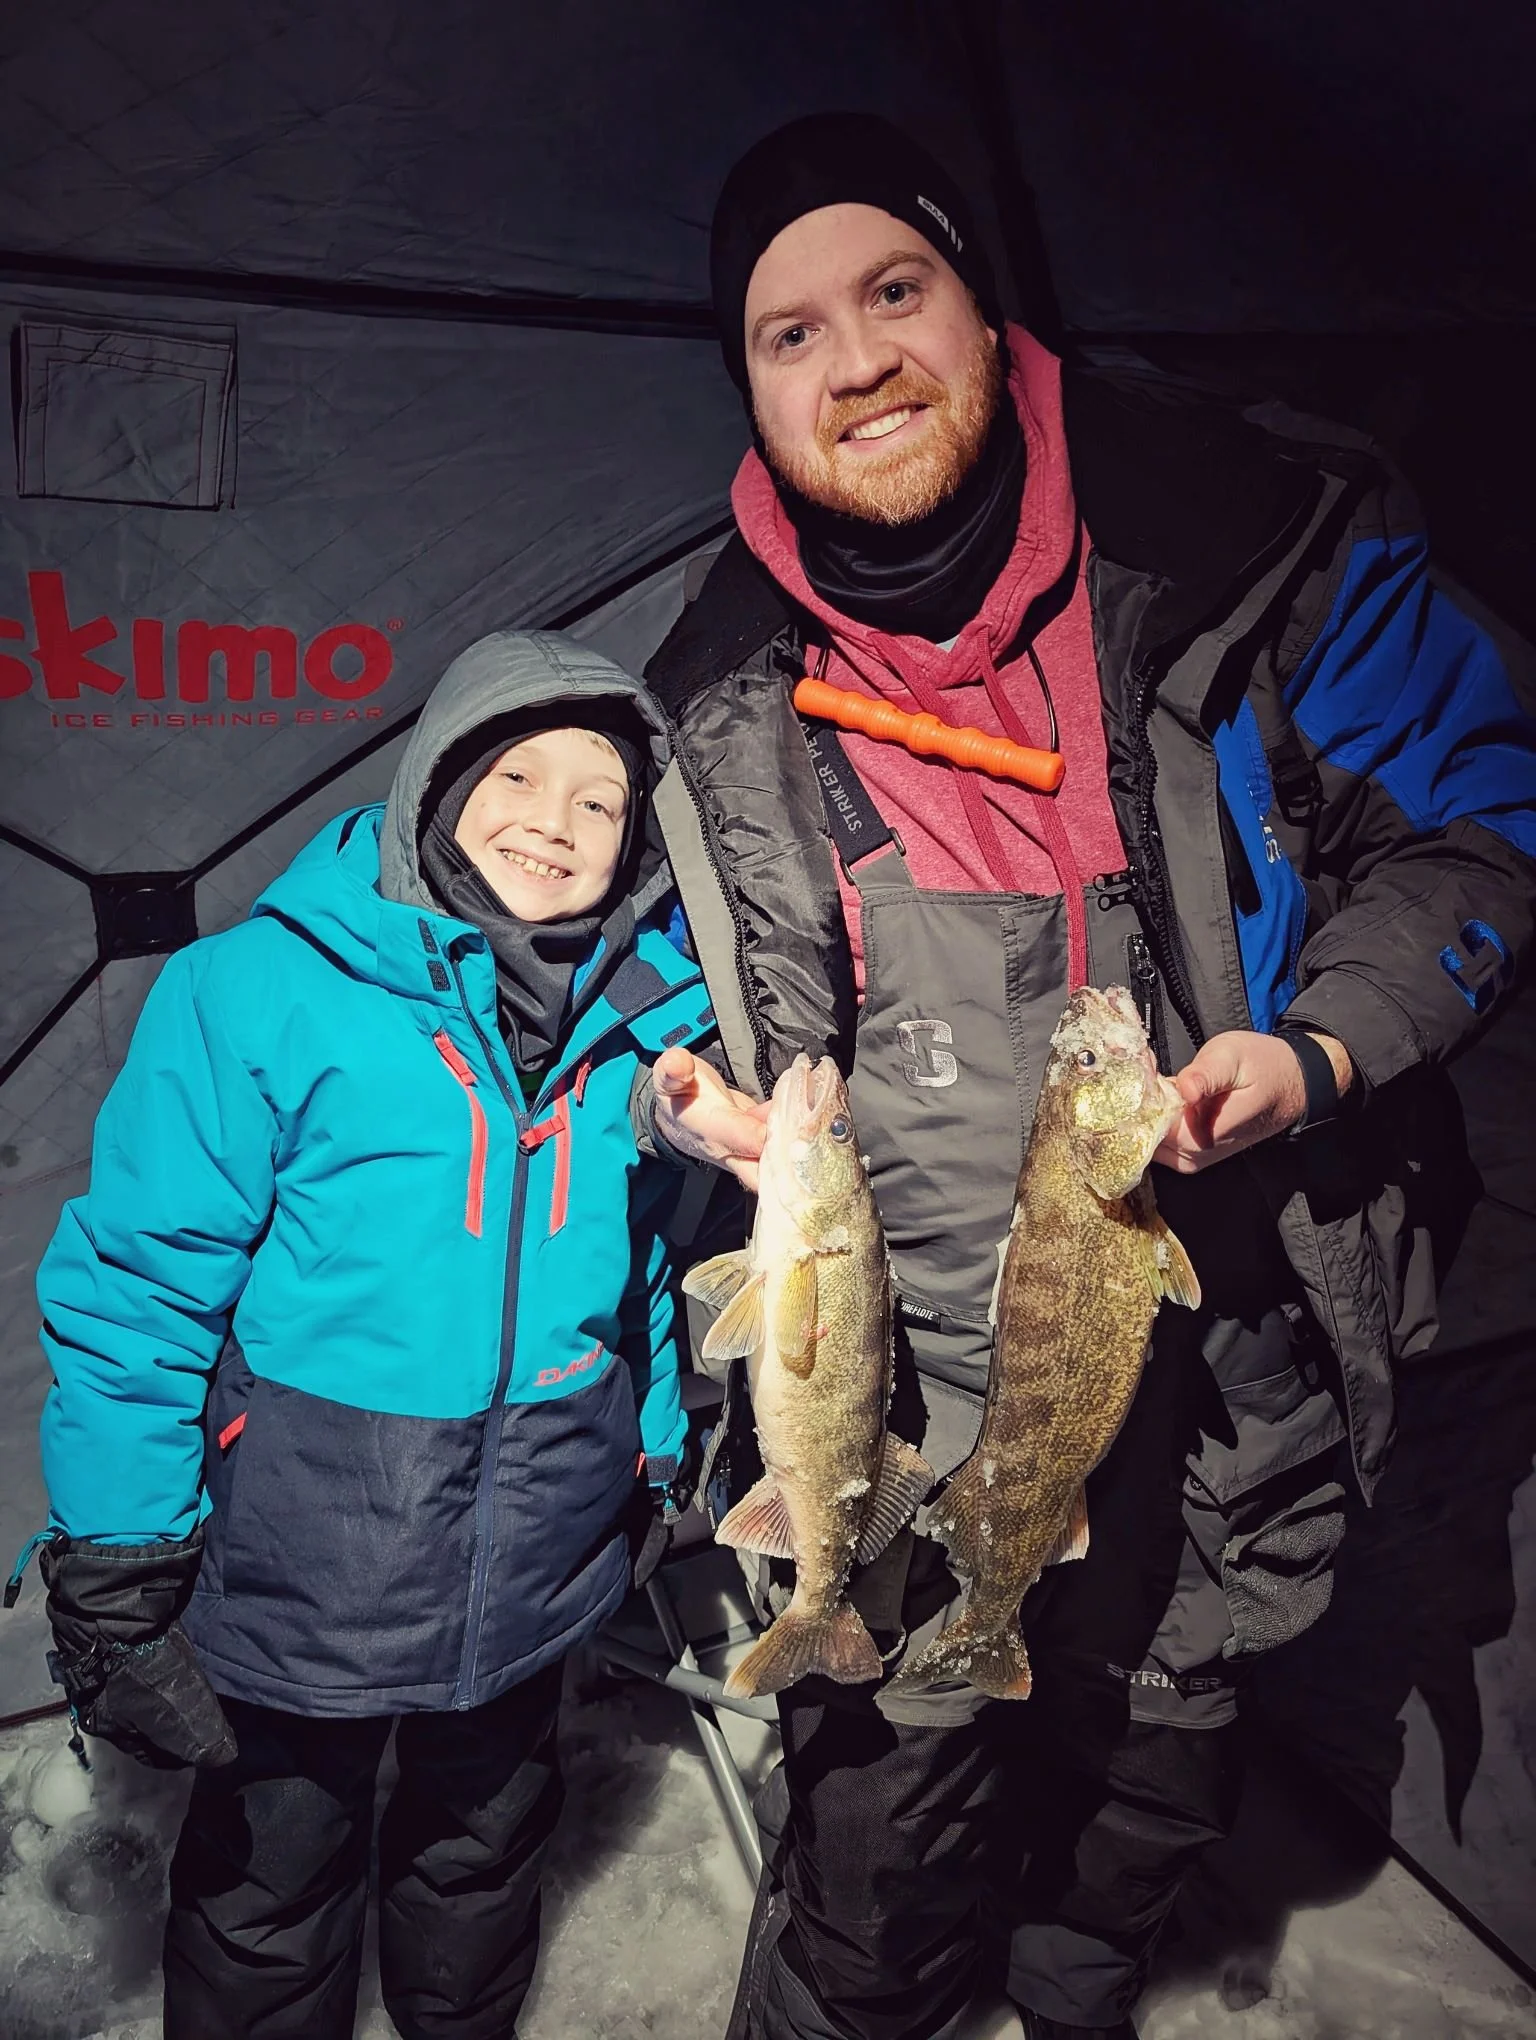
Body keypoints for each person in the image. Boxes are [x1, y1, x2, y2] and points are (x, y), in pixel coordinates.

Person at [641, 114, 1536, 2040]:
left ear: (987, 306)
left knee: (1146, 1794)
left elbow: (1480, 823)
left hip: (1231, 1353)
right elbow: (637, 977)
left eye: (896, 290)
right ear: (747, 383)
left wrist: (1314, 1057)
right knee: (879, 1840)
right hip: (903, 1384)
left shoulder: (1258, 539)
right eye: (787, 333)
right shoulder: (711, 689)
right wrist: (690, 1102)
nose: (857, 359)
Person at [14, 630, 715, 2040]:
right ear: (436, 787)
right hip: (303, 1571)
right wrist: (116, 1556)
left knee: (482, 1864)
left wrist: (647, 1455)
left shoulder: (649, 1027)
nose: (556, 824)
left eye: (601, 799)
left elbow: (639, 1260)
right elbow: (140, 1287)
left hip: (532, 1564)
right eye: (518, 774)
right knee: (271, 1888)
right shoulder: (259, 994)